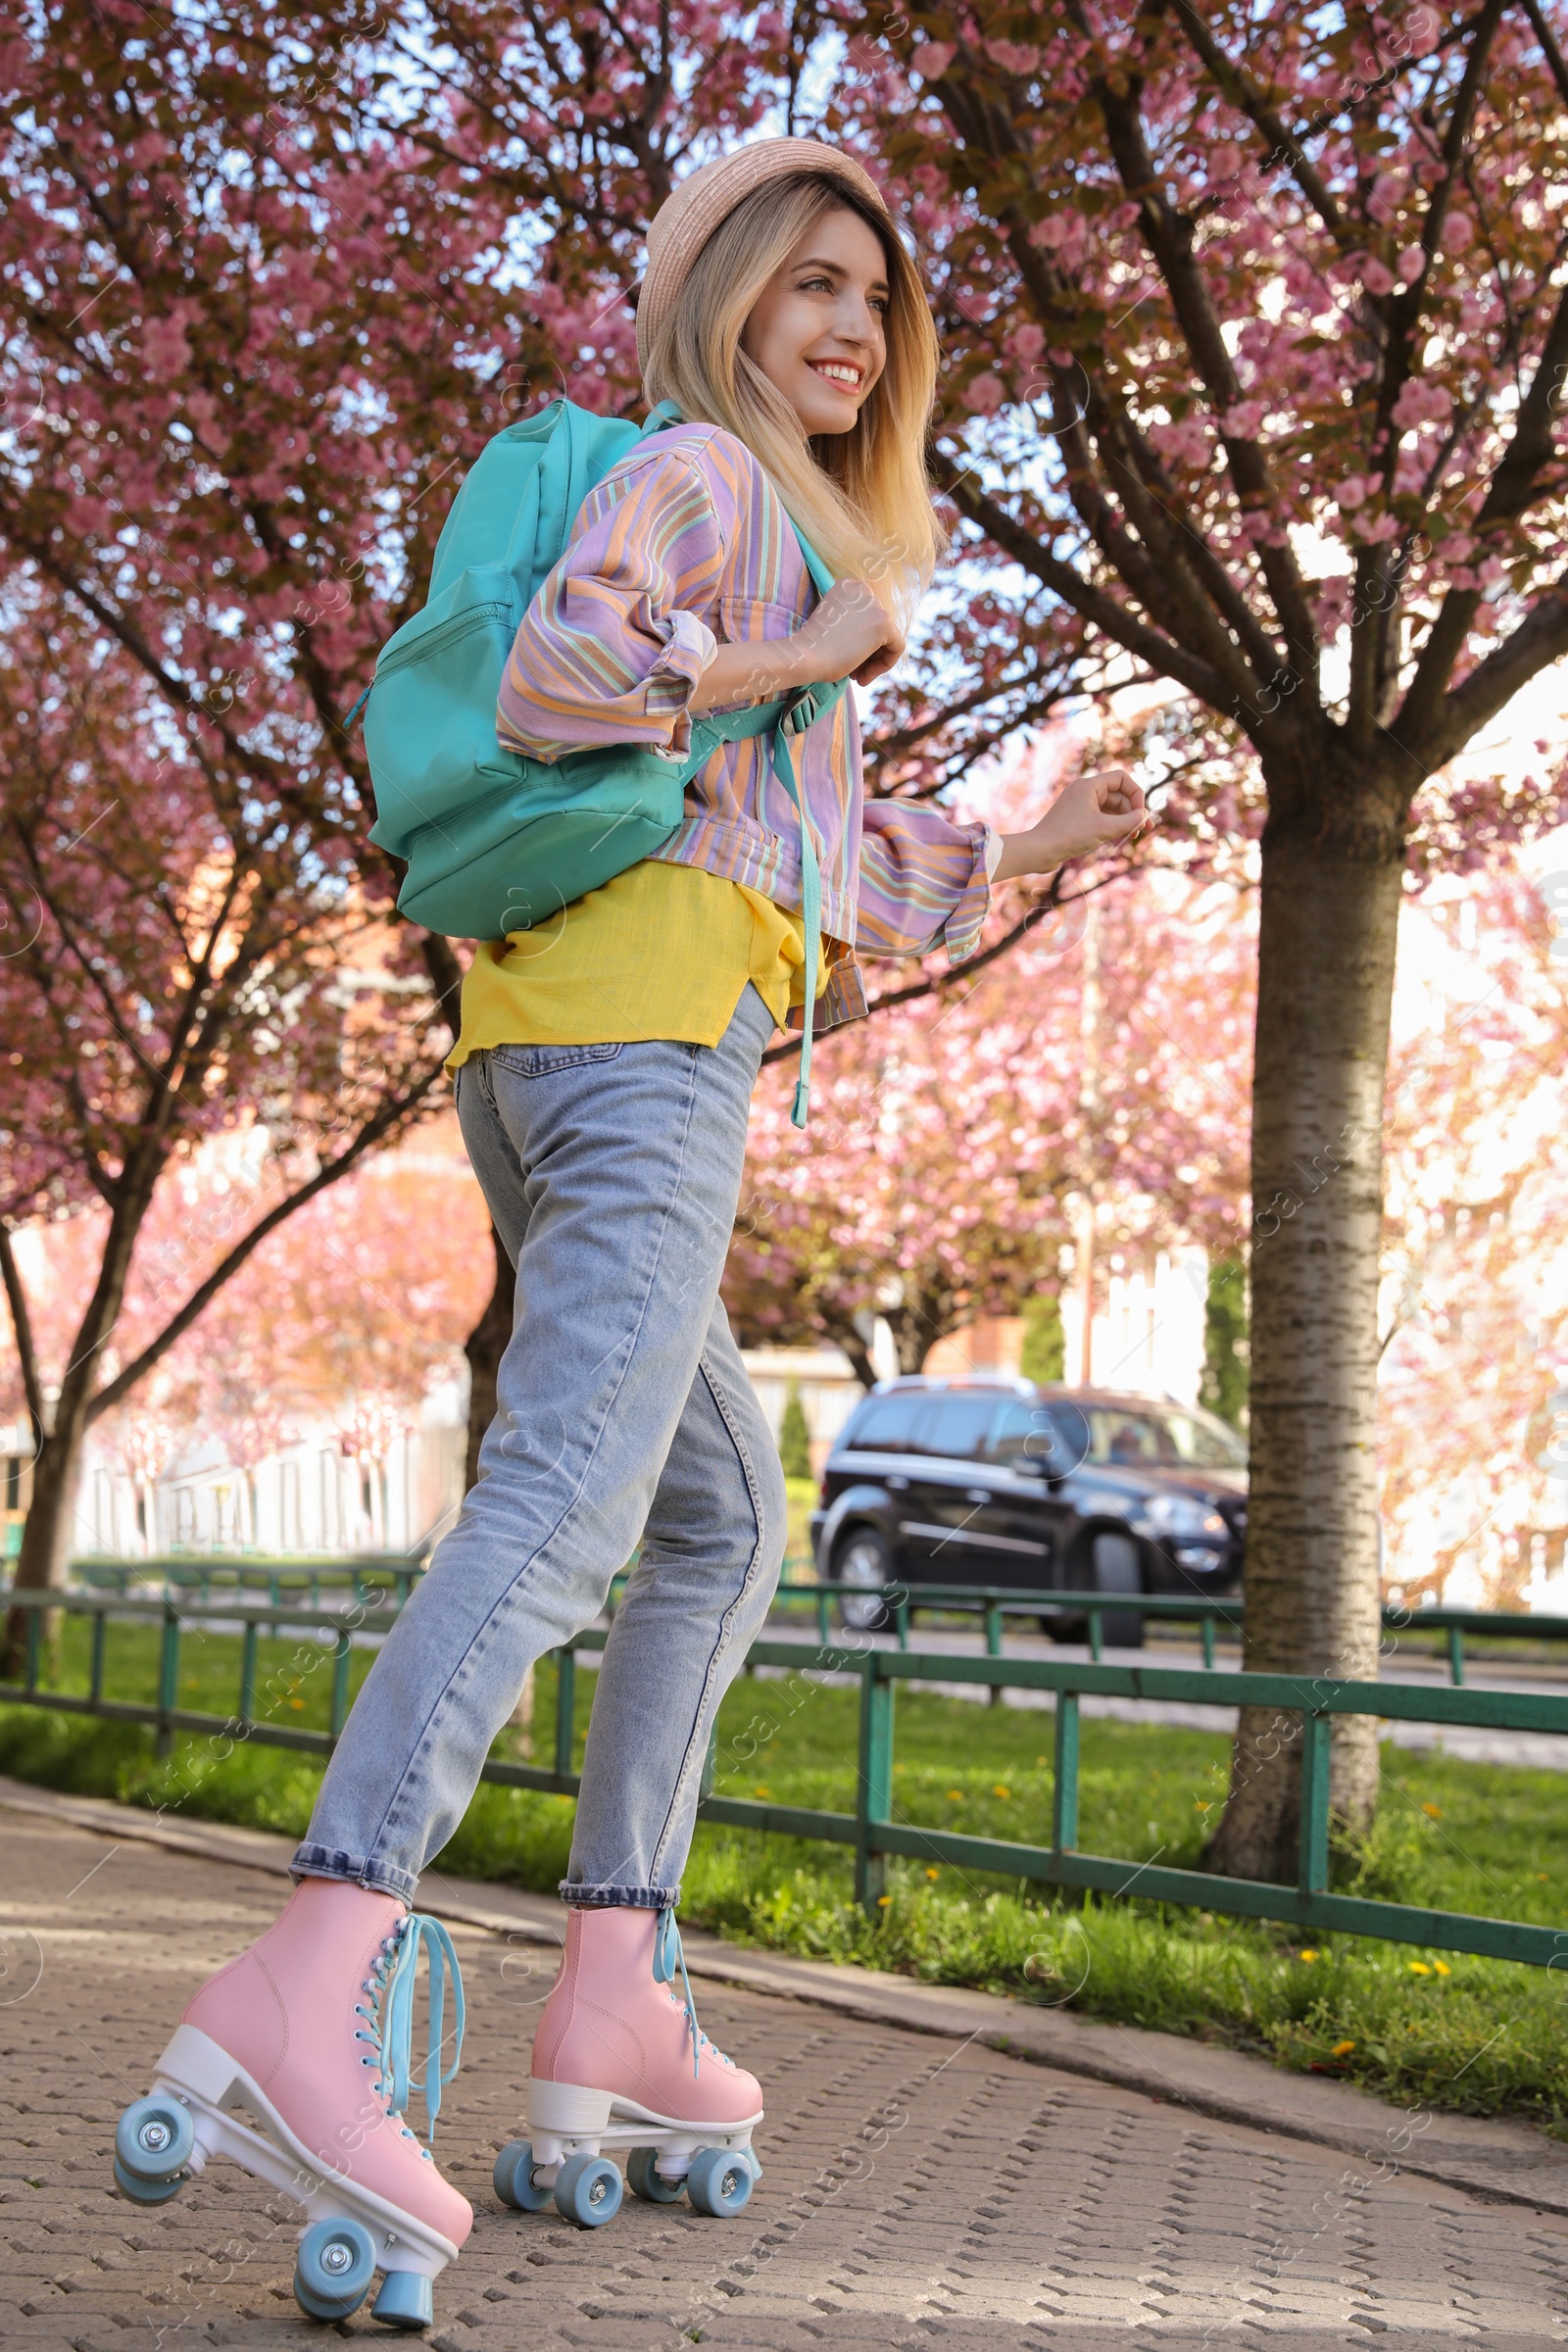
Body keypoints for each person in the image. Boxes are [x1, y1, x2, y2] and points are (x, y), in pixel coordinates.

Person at [126, 137, 1148, 2291]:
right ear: (718, 306)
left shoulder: (780, 541)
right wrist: (799, 650)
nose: (848, 326)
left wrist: (1029, 841)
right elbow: (568, 693)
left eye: (875, 296)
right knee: (567, 1509)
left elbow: (799, 859)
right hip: (625, 1059)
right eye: (802, 282)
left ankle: (610, 1988)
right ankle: (309, 1971)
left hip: (595, 1041)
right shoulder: (701, 480)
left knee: (716, 1521)